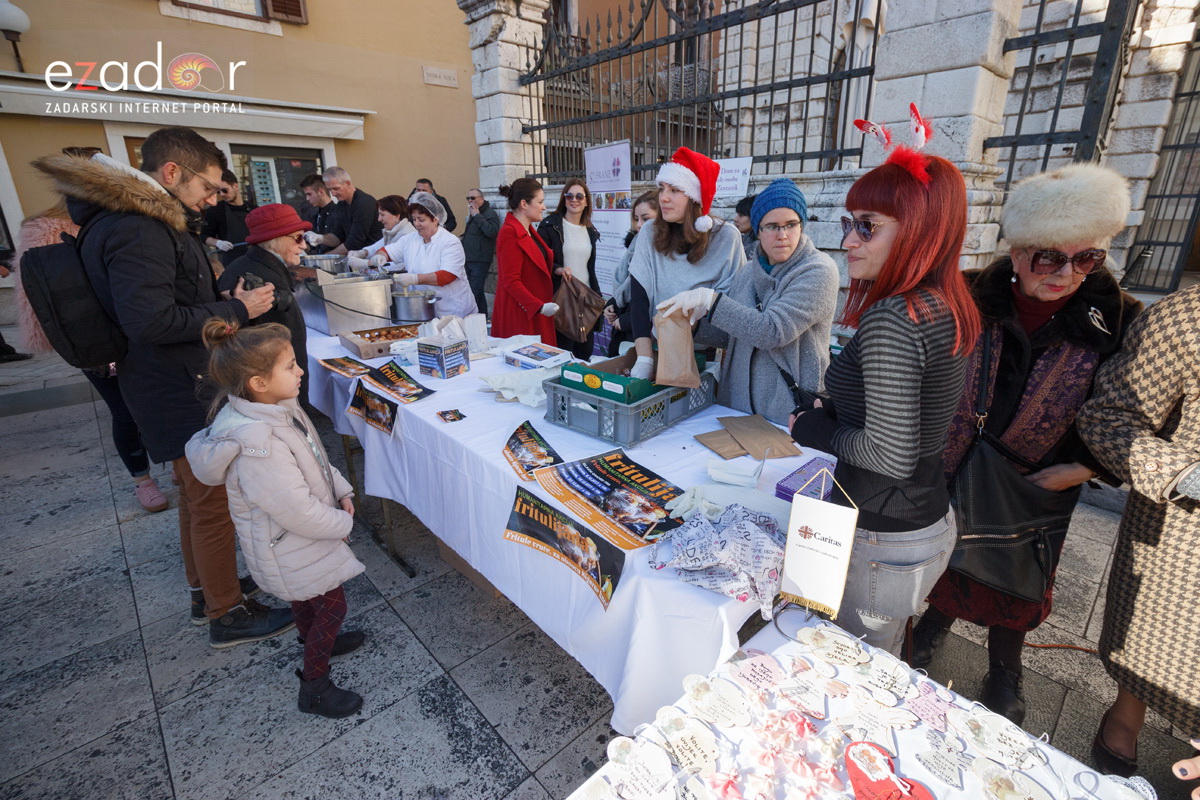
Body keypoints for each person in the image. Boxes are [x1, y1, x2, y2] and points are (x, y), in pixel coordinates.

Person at [33, 127, 295, 647]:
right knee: (211, 500)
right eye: (211, 186)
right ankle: (226, 613)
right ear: (172, 173)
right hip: (176, 386)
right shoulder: (139, 227)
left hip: (170, 380)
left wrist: (215, 296)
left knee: (196, 496)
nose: (214, 197)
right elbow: (151, 321)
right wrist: (239, 310)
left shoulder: (139, 222)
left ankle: (207, 590)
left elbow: (164, 300)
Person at [911, 164, 1141, 725]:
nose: (1067, 273)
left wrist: (1082, 469)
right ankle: (935, 625)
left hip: (1038, 482)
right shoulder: (968, 293)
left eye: (1086, 258)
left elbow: (1132, 412)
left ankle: (1006, 666)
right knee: (946, 559)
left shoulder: (1120, 319)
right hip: (955, 463)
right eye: (1050, 257)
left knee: (1018, 578)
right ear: (1016, 252)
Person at [788, 147, 982, 656]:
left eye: (868, 226)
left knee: (854, 672)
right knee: (877, 659)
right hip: (920, 522)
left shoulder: (897, 318)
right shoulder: (945, 304)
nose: (849, 240)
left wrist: (810, 428)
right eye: (849, 223)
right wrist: (836, 411)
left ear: (920, 229)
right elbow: (912, 416)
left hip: (884, 534)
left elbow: (889, 453)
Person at [186, 319, 366, 718]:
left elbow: (316, 457)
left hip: (298, 542)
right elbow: (295, 510)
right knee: (332, 606)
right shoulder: (259, 444)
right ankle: (315, 686)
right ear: (258, 383)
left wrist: (340, 489)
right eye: (289, 366)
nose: (301, 369)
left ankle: (316, 638)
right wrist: (342, 525)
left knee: (309, 600)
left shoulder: (280, 409)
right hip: (292, 545)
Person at [1077, 282, 1200, 777]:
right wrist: (1187, 474)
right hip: (1184, 531)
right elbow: (1110, 416)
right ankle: (1123, 724)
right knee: (1154, 654)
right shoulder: (1189, 314)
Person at [14, 195, 171, 512]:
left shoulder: (122, 221)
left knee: (158, 402)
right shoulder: (45, 230)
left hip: (137, 329)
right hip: (93, 338)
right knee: (124, 411)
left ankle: (175, 461)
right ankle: (143, 480)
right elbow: (42, 296)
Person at [659, 179, 839, 426]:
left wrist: (712, 301)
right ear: (758, 230)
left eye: (791, 224)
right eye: (772, 226)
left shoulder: (819, 271)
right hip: (736, 408)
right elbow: (731, 335)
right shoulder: (747, 272)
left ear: (802, 225)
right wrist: (694, 324)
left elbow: (772, 331)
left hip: (790, 413)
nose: (782, 235)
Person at [628, 147, 746, 380]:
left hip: (705, 354)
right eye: (662, 188)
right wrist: (643, 359)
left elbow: (734, 307)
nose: (663, 197)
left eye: (675, 190)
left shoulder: (726, 238)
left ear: (695, 197)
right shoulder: (650, 232)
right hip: (655, 350)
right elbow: (639, 297)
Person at [217, 204, 314, 407]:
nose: (304, 245)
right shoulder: (260, 277)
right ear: (274, 240)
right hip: (269, 392)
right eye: (298, 237)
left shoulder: (255, 266)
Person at [537, 179, 602, 359]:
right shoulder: (550, 226)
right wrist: (557, 269)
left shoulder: (590, 231)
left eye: (579, 196)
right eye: (569, 196)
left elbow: (590, 267)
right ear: (563, 199)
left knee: (585, 354)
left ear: (586, 201)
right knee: (564, 354)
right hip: (562, 299)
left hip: (585, 300)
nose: (574, 200)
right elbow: (539, 260)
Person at [388, 192, 477, 318]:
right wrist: (369, 258)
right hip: (425, 311)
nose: (416, 224)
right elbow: (388, 252)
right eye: (414, 219)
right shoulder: (410, 239)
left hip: (454, 311)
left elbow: (447, 276)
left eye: (421, 220)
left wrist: (414, 279)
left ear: (435, 219)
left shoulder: (450, 241)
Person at [492, 178, 557, 344]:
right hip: (521, 314)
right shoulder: (509, 232)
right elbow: (511, 281)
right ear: (524, 204)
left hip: (534, 311)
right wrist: (538, 306)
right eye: (540, 202)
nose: (544, 207)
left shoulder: (527, 230)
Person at [605, 190, 659, 357]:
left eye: (645, 218)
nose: (639, 225)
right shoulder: (634, 245)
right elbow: (626, 283)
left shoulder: (663, 252)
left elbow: (658, 298)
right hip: (623, 331)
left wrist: (628, 320)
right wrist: (611, 304)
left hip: (647, 336)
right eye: (636, 219)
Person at [320, 167, 382, 255]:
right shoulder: (341, 204)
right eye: (330, 190)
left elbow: (354, 243)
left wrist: (328, 257)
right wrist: (320, 239)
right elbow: (338, 236)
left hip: (373, 257)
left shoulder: (364, 203)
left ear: (348, 184)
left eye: (336, 188)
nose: (333, 194)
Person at [202, 168, 256, 268]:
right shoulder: (215, 210)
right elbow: (204, 236)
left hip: (255, 259)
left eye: (224, 190)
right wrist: (218, 243)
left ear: (235, 186)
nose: (222, 194)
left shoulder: (254, 210)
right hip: (231, 263)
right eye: (218, 192)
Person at [461, 188, 500, 317]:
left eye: (473, 198)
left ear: (482, 199)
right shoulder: (474, 214)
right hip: (469, 258)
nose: (470, 201)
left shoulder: (489, 214)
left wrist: (477, 216)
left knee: (474, 291)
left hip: (480, 259)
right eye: (468, 198)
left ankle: (473, 318)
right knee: (477, 291)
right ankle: (482, 317)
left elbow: (491, 231)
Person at [346, 195, 414, 269]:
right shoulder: (392, 231)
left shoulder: (407, 234)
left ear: (397, 216)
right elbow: (376, 247)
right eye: (379, 214)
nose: (379, 219)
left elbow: (401, 266)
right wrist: (362, 252)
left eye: (382, 215)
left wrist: (366, 264)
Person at [299, 174, 339, 255]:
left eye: (309, 194)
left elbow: (344, 242)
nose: (307, 199)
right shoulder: (314, 215)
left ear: (321, 192)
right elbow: (314, 248)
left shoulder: (339, 213)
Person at [733, 194, 758, 260]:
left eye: (741, 215)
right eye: (737, 214)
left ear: (754, 217)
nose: (735, 219)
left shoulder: (759, 246)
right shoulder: (742, 239)